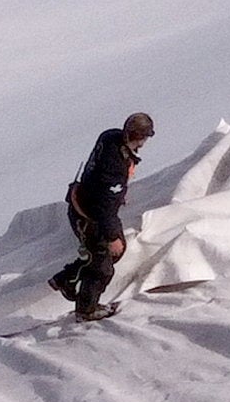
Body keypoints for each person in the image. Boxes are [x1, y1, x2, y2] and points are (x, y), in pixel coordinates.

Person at [51, 111, 154, 320]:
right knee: (103, 265)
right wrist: (111, 236)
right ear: (140, 138)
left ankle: (67, 279)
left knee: (104, 255)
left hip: (82, 204)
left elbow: (101, 183)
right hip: (90, 216)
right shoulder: (116, 166)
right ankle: (86, 310)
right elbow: (104, 208)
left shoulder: (109, 136)